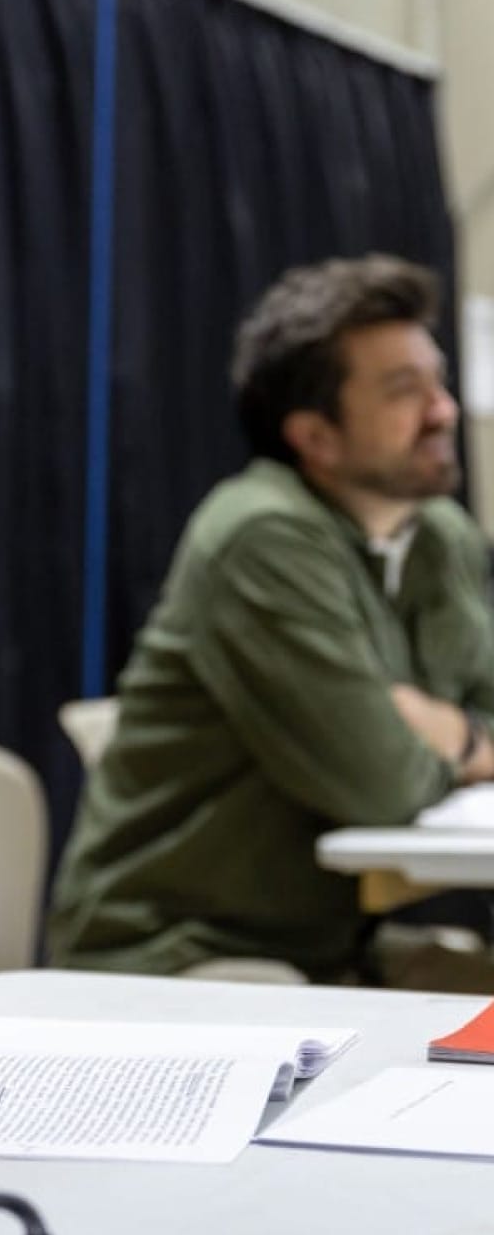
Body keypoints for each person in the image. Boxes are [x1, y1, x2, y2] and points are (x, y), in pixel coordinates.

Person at [46, 253, 494, 988]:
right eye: (404, 392)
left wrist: (450, 731)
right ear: (316, 437)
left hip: (330, 943)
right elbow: (379, 784)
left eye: (437, 381)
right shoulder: (261, 536)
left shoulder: (439, 536)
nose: (442, 410)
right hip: (174, 950)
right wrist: (456, 741)